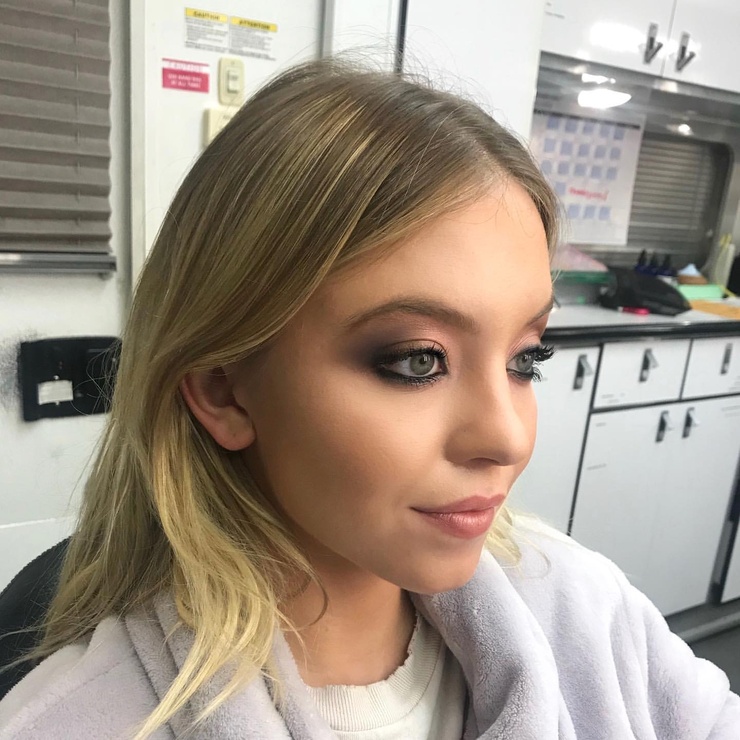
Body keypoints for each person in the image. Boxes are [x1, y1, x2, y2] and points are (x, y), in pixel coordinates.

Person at [0, 58, 738, 740]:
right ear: (225, 391)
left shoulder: (583, 607)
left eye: (525, 359)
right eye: (418, 360)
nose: (508, 437)